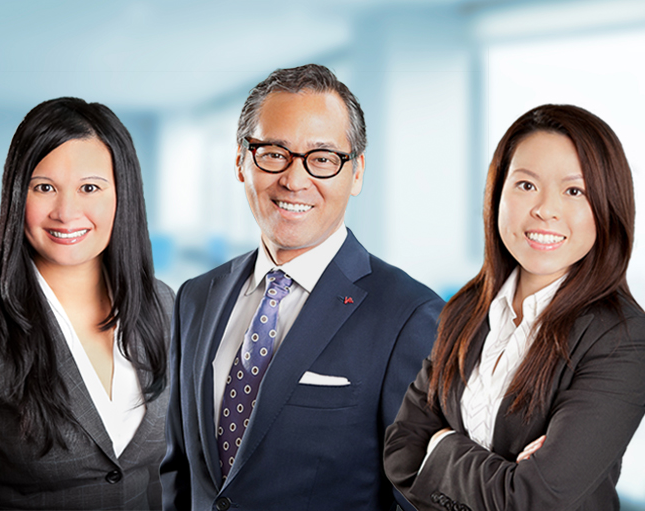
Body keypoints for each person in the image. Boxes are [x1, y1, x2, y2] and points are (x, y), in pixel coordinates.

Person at [160, 63, 444, 511]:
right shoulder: (196, 298)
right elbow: (177, 475)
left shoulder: (410, 316)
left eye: (323, 159)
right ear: (241, 162)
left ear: (357, 173)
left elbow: (416, 499)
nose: (294, 179)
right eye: (274, 153)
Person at [384, 104, 645, 511]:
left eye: (574, 191)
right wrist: (505, 477)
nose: (545, 209)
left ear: (607, 206)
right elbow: (400, 453)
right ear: (498, 193)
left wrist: (440, 445)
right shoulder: (465, 309)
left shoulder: (624, 339)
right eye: (526, 185)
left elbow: (533, 501)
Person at [0, 97, 173, 510]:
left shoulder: (160, 305)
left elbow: (162, 474)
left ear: (122, 194)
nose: (66, 211)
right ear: (17, 196)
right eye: (44, 187)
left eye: (90, 187)